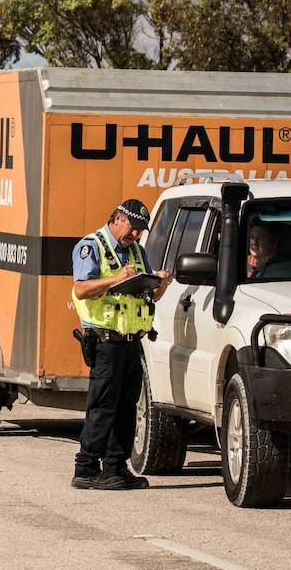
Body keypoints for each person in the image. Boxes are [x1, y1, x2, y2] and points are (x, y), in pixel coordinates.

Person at [70, 199, 172, 490]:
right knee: (103, 407)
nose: (136, 235)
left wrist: (160, 283)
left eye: (141, 230)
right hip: (105, 341)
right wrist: (116, 278)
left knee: (127, 408)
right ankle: (86, 469)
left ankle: (116, 466)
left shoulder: (137, 253)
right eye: (133, 228)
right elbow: (81, 288)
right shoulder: (92, 246)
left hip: (132, 342)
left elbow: (149, 298)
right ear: (117, 218)